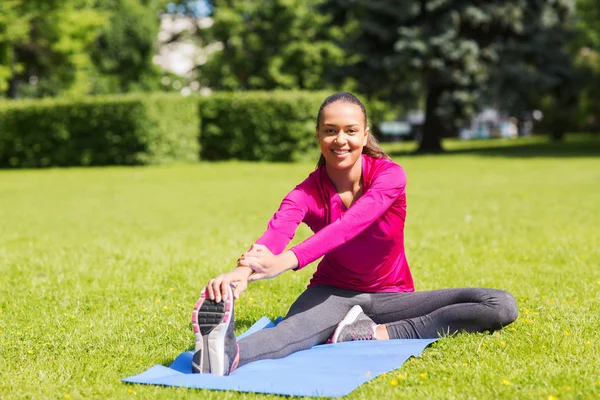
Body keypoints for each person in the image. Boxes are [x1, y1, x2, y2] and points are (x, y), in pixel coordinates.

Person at [190, 92, 518, 376]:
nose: (340, 140)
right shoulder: (305, 192)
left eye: (350, 131)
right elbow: (276, 233)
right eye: (330, 131)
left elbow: (350, 226)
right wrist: (243, 272)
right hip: (332, 292)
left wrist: (285, 262)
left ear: (365, 135)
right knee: (289, 334)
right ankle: (223, 355)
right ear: (318, 135)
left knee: (498, 304)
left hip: (393, 296)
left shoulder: (390, 176)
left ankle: (373, 333)